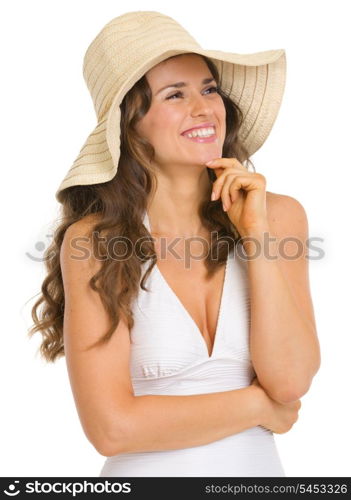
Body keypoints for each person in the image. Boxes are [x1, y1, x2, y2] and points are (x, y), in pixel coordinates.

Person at [29, 11, 320, 477]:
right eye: (174, 95)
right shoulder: (96, 243)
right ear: (131, 123)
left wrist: (256, 234)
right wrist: (257, 407)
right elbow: (112, 429)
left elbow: (289, 382)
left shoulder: (278, 217)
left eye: (208, 89)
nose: (204, 109)